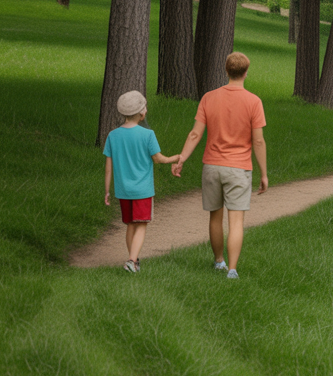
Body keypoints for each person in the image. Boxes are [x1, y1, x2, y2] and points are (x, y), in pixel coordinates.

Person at [173, 52, 268, 280]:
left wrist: (182, 159)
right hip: (239, 168)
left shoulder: (209, 98)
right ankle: (232, 270)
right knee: (236, 221)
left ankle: (219, 262)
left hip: (212, 167)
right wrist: (264, 173)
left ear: (226, 70)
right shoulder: (253, 102)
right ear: (246, 73)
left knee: (215, 217)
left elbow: (195, 134)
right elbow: (258, 141)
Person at [103, 90, 179, 273]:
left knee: (130, 224)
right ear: (141, 113)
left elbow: (108, 167)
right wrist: (174, 158)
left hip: (123, 190)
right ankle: (131, 260)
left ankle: (134, 261)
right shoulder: (147, 134)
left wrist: (107, 191)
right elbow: (158, 159)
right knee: (141, 225)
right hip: (142, 190)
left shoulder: (113, 135)